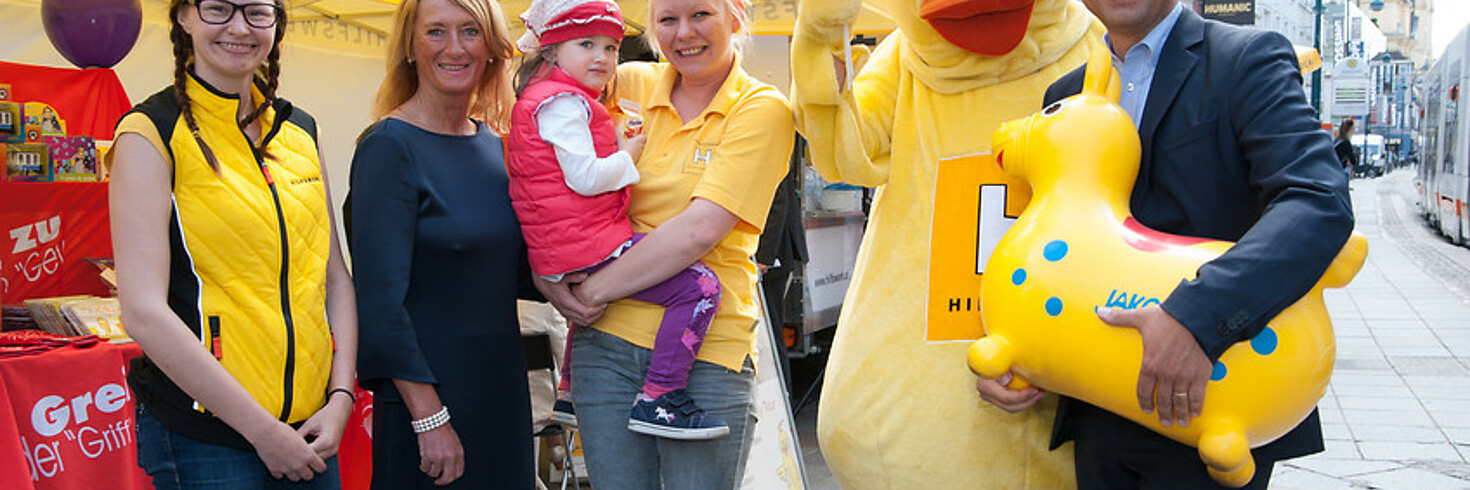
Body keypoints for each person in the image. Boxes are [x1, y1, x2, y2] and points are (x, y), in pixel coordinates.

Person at [975, 1, 1355, 489]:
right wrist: (1012, 354)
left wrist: (1196, 318)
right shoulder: (1065, 94)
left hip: (1213, 399)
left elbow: (1317, 199)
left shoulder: (1245, 58)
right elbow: (1041, 230)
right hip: (1097, 409)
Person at [535, 0, 793, 484]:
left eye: (701, 15)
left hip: (706, 354)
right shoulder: (628, 82)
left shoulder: (762, 109)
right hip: (605, 346)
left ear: (736, 17)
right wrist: (544, 267)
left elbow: (697, 231)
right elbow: (544, 137)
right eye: (667, 19)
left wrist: (587, 292)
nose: (683, 33)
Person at [109, 0, 359, 487]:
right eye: (219, 8)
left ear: (276, 20)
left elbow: (335, 279)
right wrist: (262, 431)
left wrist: (341, 398)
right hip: (207, 436)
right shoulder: (150, 133)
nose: (240, 28)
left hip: (312, 429)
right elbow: (142, 310)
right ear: (182, 16)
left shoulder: (301, 130)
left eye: (257, 11)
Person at [508, 0, 729, 440]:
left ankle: (568, 390)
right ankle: (661, 396)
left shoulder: (552, 97)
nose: (602, 58)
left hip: (566, 243)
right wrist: (629, 157)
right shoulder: (564, 104)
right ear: (551, 51)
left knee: (602, 289)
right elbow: (587, 177)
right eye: (586, 44)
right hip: (581, 244)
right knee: (700, 288)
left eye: (610, 47)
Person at [346, 0, 537, 487]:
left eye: (470, 31)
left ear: (492, 48)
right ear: (410, 47)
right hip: (429, 405)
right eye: (436, 32)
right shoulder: (388, 147)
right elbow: (381, 304)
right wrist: (430, 419)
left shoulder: (496, 145)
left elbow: (520, 273)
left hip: (501, 395)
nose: (454, 48)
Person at [1335, 118, 1357, 182]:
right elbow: (1353, 160)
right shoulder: (1346, 143)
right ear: (1350, 129)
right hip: (1340, 172)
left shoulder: (1337, 140)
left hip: (1334, 170)